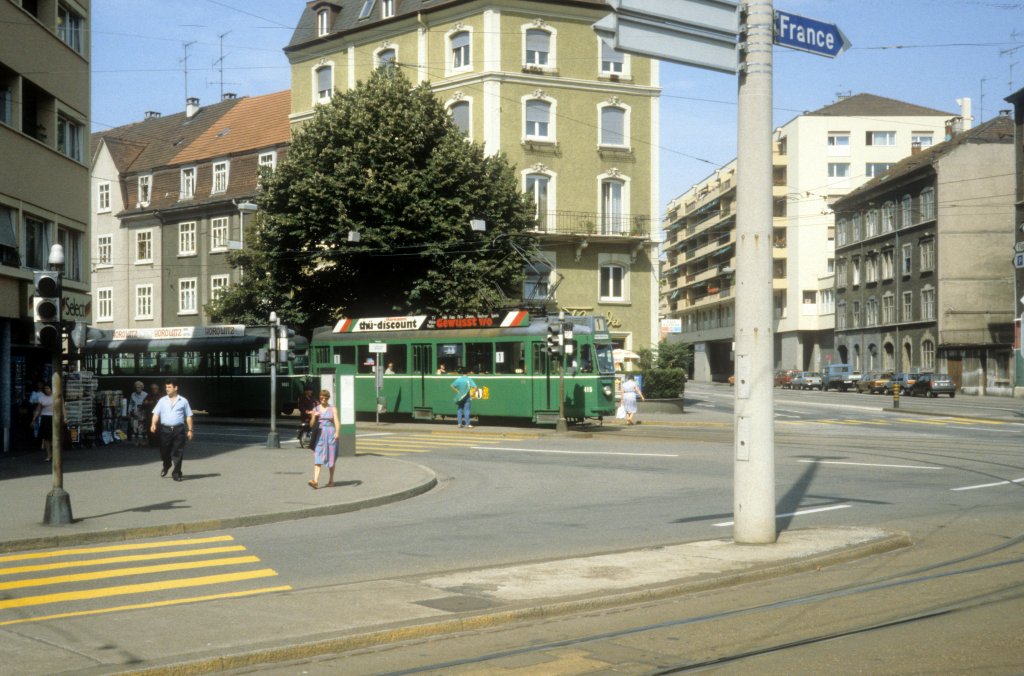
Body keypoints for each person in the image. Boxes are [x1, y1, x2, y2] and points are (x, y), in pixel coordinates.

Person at [149, 379, 194, 481]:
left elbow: (188, 416)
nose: (167, 389)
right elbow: (156, 413)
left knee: (178, 452)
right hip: (165, 430)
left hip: (179, 430)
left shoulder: (183, 401)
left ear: (175, 388)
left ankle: (177, 473)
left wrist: (190, 430)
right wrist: (153, 424)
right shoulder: (162, 400)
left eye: (169, 387)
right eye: (166, 387)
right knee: (164, 451)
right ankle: (167, 464)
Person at [309, 389, 340, 489]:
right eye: (322, 397)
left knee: (331, 458)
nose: (323, 399)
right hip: (320, 435)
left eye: (326, 398)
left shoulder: (333, 409)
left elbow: (337, 422)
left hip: (330, 434)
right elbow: (311, 425)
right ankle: (315, 481)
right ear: (320, 397)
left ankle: (331, 479)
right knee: (318, 456)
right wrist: (314, 417)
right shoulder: (316, 409)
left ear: (328, 398)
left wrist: (337, 432)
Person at [31, 384, 54, 462]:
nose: (47, 390)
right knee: (46, 438)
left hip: (54, 418)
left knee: (53, 437)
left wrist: (64, 417)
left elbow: (62, 408)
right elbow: (38, 410)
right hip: (45, 418)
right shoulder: (41, 398)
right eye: (45, 388)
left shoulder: (56, 396)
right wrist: (33, 419)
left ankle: (55, 454)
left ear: (51, 388)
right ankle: (49, 455)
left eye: (48, 388)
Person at [128, 381, 149, 446]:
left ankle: (143, 441)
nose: (138, 388)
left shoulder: (145, 394)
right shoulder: (133, 394)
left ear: (142, 388)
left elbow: (147, 404)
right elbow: (131, 403)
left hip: (142, 412)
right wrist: (129, 412)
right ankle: (136, 441)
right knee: (135, 427)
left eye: (139, 387)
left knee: (142, 428)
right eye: (136, 387)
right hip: (135, 412)